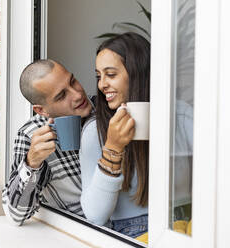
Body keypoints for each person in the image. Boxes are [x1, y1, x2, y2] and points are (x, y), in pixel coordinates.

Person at [2, 59, 94, 225]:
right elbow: (15, 215)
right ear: (41, 110)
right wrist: (32, 162)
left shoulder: (107, 110)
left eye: (73, 81)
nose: (78, 94)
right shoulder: (31, 135)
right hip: (82, 234)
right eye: (62, 96)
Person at [80, 32, 150, 238]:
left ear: (138, 73)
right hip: (132, 234)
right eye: (99, 76)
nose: (102, 85)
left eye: (110, 75)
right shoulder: (96, 131)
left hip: (185, 224)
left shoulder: (179, 115)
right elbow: (94, 216)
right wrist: (113, 148)